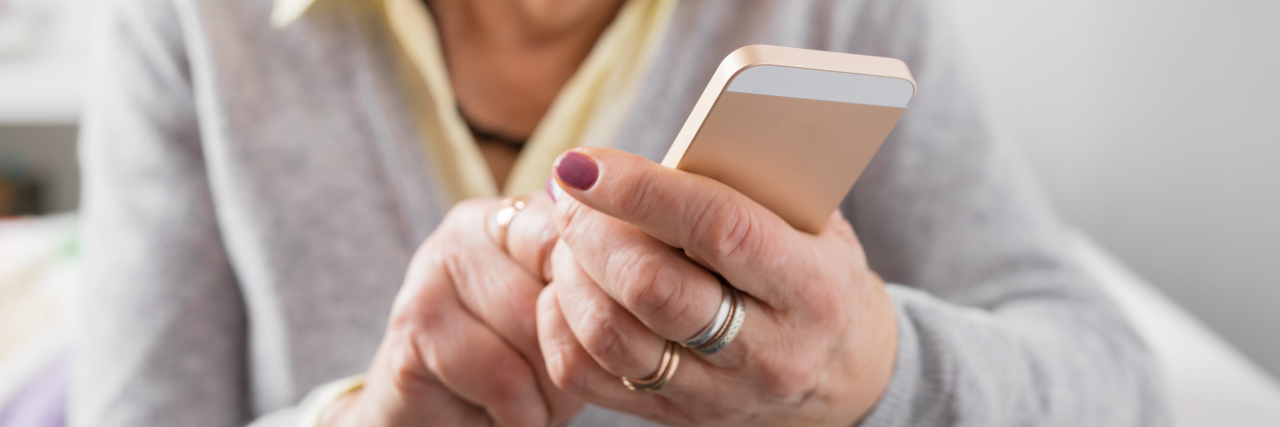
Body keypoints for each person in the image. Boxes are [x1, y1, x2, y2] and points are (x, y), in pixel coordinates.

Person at [74, 0, 1169, 425]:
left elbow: (1110, 378)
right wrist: (364, 421)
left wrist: (873, 364)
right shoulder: (187, 23)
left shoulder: (835, 8)